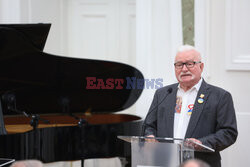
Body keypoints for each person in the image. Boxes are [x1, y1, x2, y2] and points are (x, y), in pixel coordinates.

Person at [142, 45, 238, 167]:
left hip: (201, 162)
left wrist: (202, 143)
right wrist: (149, 136)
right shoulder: (163, 94)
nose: (184, 69)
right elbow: (149, 125)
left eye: (190, 63)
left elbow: (229, 132)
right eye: (179, 65)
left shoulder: (220, 96)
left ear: (201, 66)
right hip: (165, 161)